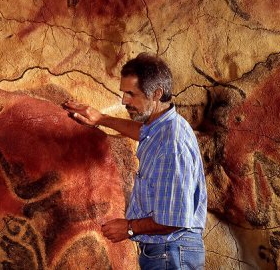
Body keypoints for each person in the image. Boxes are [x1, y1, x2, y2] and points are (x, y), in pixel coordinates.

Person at [63, 53, 208, 269]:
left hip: (171, 253)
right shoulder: (162, 127)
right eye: (123, 93)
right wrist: (102, 119)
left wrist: (129, 228)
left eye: (131, 94)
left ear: (156, 93)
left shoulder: (172, 143)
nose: (124, 101)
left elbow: (174, 219)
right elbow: (143, 132)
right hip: (167, 253)